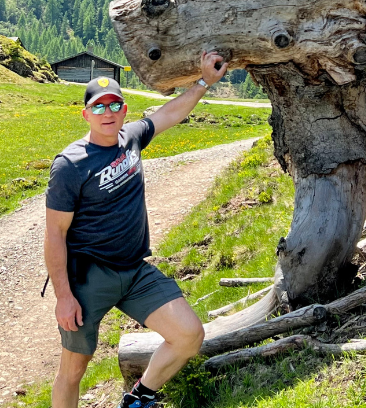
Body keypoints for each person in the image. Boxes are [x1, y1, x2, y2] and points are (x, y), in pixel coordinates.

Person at [44, 51, 228, 408]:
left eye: (114, 105)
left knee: (189, 335)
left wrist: (204, 82)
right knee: (72, 371)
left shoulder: (131, 139)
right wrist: (64, 297)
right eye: (98, 108)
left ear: (125, 111)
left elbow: (170, 113)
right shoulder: (69, 165)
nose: (107, 113)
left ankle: (139, 397)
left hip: (134, 271)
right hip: (88, 280)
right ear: (85, 115)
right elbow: (55, 235)